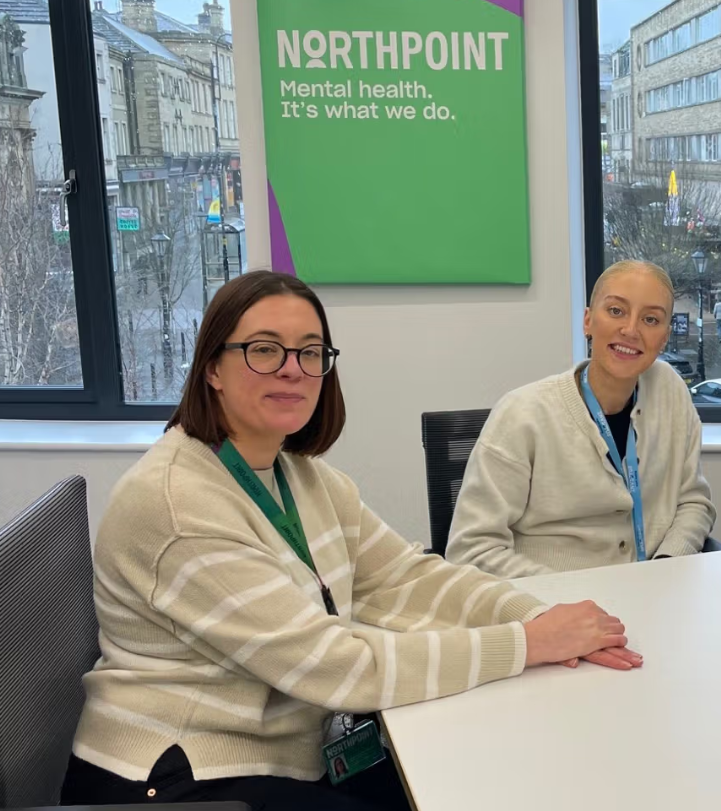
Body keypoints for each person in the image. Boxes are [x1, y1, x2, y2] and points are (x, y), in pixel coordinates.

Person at [62, 271, 641, 811]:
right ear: (212, 366)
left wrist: (543, 618)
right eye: (264, 349)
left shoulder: (302, 476)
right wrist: (527, 643)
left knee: (489, 774)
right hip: (182, 775)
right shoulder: (178, 502)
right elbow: (335, 666)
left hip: (290, 745)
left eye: (310, 352)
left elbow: (407, 579)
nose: (293, 369)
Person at [446, 260, 717, 577]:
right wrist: (567, 598)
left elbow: (693, 502)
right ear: (588, 321)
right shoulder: (523, 414)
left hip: (651, 594)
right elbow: (471, 551)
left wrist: (667, 563)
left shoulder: (669, 390)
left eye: (651, 319)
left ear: (664, 337)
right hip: (551, 607)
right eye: (616, 311)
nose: (631, 330)